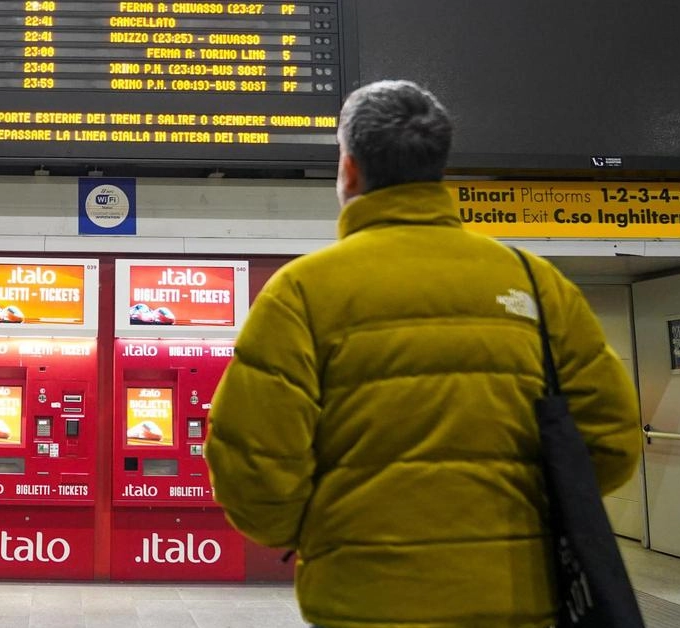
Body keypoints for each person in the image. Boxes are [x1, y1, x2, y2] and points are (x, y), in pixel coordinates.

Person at [204, 80, 642, 627]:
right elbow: (613, 439)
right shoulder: (535, 282)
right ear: (439, 168)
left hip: (362, 600)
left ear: (349, 171)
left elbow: (252, 466)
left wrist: (319, 531)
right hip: (519, 598)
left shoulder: (301, 292)